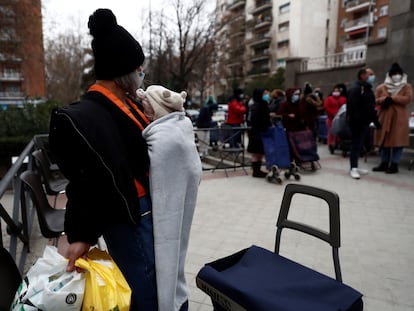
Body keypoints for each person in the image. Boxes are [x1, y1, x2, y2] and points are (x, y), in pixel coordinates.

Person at [48, 9, 157, 310]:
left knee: (152, 284)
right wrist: (81, 235)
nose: (141, 73)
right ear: (124, 73)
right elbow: (87, 178)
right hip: (131, 218)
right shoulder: (92, 115)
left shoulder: (126, 104)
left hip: (144, 212)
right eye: (138, 68)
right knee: (145, 289)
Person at [138, 85, 202, 311]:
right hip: (179, 196)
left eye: (146, 105)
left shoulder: (168, 135)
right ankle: (172, 298)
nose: (143, 109)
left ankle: (169, 302)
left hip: (173, 206)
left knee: (172, 247)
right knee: (174, 255)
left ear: (156, 107)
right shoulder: (178, 127)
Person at [372, 63, 413, 173]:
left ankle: (394, 164)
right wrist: (384, 100)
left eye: (398, 74)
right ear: (389, 75)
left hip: (399, 118)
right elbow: (375, 99)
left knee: (397, 142)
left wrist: (393, 98)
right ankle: (384, 163)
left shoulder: (406, 86)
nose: (396, 76)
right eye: (394, 74)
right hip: (384, 116)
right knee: (384, 141)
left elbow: (408, 99)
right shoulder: (382, 87)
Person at [346, 68, 380, 179]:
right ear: (362, 75)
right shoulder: (356, 89)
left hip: (365, 123)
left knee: (360, 145)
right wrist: (356, 121)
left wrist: (375, 121)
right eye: (370, 74)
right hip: (357, 124)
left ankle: (356, 166)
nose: (372, 76)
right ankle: (353, 168)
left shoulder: (368, 89)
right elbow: (352, 107)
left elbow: (371, 107)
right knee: (355, 145)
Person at [247, 88, 271, 177]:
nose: (267, 95)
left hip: (258, 132)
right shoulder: (258, 106)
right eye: (265, 93)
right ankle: (256, 171)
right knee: (257, 153)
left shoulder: (260, 105)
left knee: (259, 153)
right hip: (258, 133)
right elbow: (256, 120)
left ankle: (257, 170)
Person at [324, 85, 347, 153]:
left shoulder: (343, 99)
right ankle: (330, 144)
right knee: (331, 132)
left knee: (340, 132)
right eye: (335, 91)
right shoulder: (329, 99)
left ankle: (338, 144)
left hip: (340, 118)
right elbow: (326, 107)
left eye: (337, 91)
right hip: (331, 118)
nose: (336, 92)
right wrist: (333, 113)